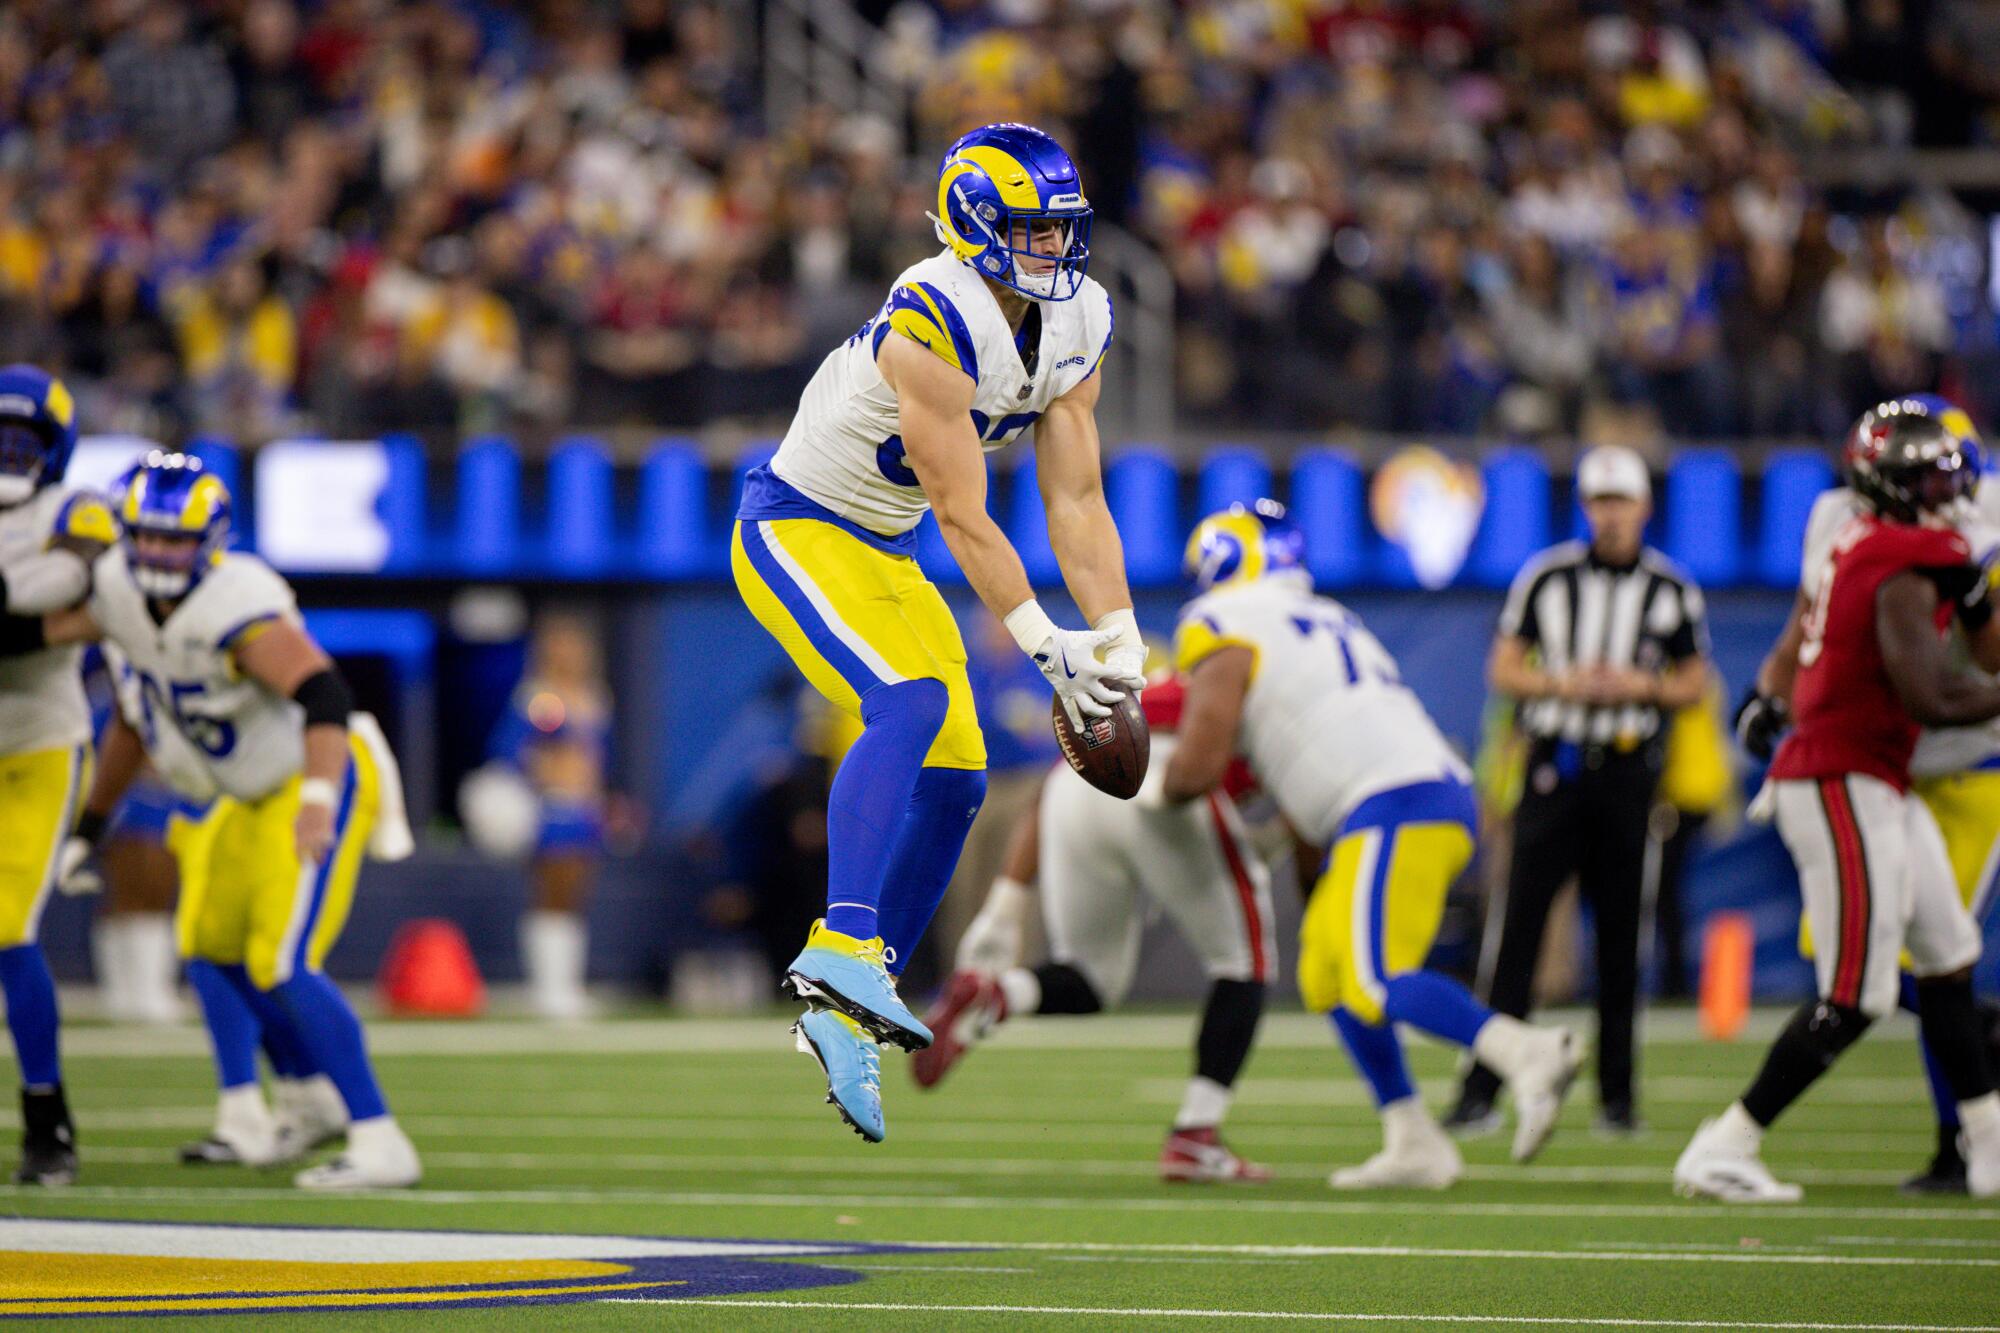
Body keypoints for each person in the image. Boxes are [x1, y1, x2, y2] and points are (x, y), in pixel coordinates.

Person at [730, 122, 1141, 1143]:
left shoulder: (1081, 316)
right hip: (796, 525)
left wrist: (1119, 632)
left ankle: (847, 1008)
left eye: (1060, 230)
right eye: (1031, 231)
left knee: (956, 775)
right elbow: (963, 511)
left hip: (885, 549)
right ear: (974, 224)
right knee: (908, 704)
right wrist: (1043, 639)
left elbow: (1077, 500)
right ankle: (841, 948)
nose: (1054, 250)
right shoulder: (932, 314)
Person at [1161, 501, 1584, 1188]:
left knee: (1375, 976)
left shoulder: (1222, 622)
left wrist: (1141, 781)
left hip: (1392, 799)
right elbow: (1303, 773)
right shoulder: (1325, 616)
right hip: (1409, 797)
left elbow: (1198, 764)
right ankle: (1413, 1136)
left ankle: (1522, 1049)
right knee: (1327, 972)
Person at [42, 451, 421, 1190]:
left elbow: (325, 696)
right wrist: (90, 826)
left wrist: (317, 802)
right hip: (243, 790)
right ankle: (306, 1096)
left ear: (210, 542)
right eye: (146, 535)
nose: (158, 552)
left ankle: (379, 1136)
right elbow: (127, 715)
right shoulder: (118, 594)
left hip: (318, 774)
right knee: (211, 947)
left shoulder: (234, 598)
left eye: (176, 539)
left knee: (280, 957)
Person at [1677, 398, 2000, 1202]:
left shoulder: (1870, 535)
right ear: (1893, 485)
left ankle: (1990, 1146)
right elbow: (1933, 695)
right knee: (1858, 992)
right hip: (1839, 776)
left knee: (1950, 959)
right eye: (1930, 476)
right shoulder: (1893, 556)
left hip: (1876, 775)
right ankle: (1726, 1141)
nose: (1948, 489)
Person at [913, 672, 1280, 1183]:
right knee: (1243, 961)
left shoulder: (1165, 686)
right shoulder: (1269, 693)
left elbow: (1059, 780)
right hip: (1166, 784)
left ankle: (997, 994)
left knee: (1091, 978)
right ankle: (1196, 1135)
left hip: (1073, 789)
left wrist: (1005, 902)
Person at [1447, 445, 1712, 1137]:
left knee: (1623, 943)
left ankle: (1617, 1101)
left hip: (1628, 773)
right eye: (1600, 501)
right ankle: (1481, 1091)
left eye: (1621, 500)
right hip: (1553, 768)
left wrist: (1641, 687)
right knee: (1516, 939)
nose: (1611, 514)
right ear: (1586, 507)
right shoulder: (1546, 578)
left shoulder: (1671, 588)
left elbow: (1694, 681)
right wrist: (1564, 682)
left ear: (1644, 506)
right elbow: (1503, 667)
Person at [0, 365, 111, 1185]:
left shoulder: (75, 509)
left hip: (41, 743)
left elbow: (77, 585)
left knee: (7, 927)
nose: (9, 451)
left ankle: (48, 1121)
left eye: (24, 438)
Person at [487, 615, 614, 1021]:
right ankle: (548, 988)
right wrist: (540, 772)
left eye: (575, 647)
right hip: (552, 804)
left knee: (576, 895)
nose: (570, 655)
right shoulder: (538, 697)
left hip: (584, 807)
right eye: (561, 647)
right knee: (553, 891)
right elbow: (511, 751)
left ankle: (565, 985)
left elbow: (598, 756)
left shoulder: (595, 696)